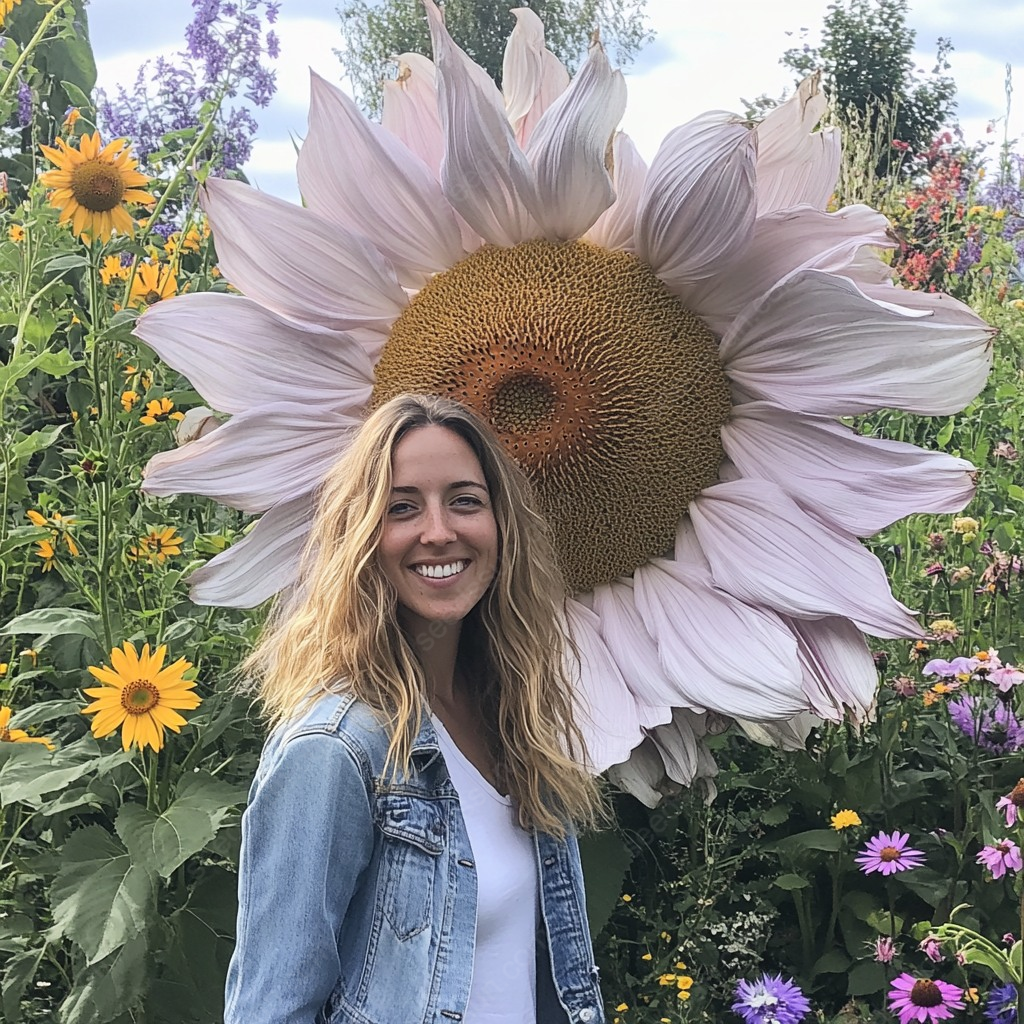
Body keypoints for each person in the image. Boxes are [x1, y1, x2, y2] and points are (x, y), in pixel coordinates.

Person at [224, 393, 608, 1024]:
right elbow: (271, 1007)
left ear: (501, 525)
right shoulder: (336, 750)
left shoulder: (512, 722)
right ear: (361, 535)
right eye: (403, 507)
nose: (438, 531)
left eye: (465, 500)